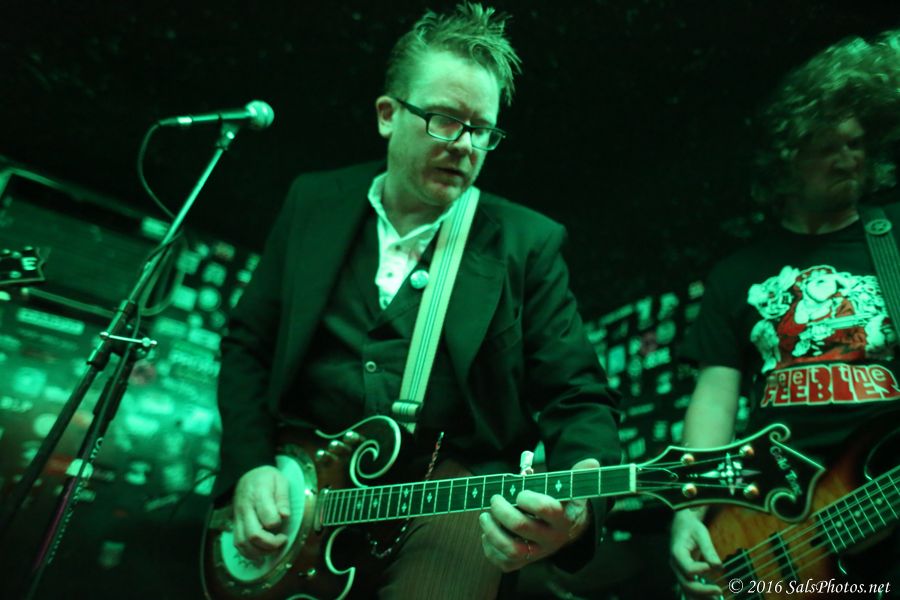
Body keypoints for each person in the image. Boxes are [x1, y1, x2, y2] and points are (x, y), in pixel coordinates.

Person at [214, 3, 621, 598]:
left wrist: (580, 508)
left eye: (481, 130)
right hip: (299, 492)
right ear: (388, 115)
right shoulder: (312, 203)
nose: (465, 145)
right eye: (444, 120)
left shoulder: (527, 244)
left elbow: (578, 396)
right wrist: (248, 467)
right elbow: (248, 344)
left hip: (449, 499)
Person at [670, 30, 900, 598]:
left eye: (856, 144)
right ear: (786, 158)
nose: (849, 159)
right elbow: (715, 400)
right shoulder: (737, 273)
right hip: (777, 519)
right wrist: (690, 507)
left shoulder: (893, 237)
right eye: (829, 147)